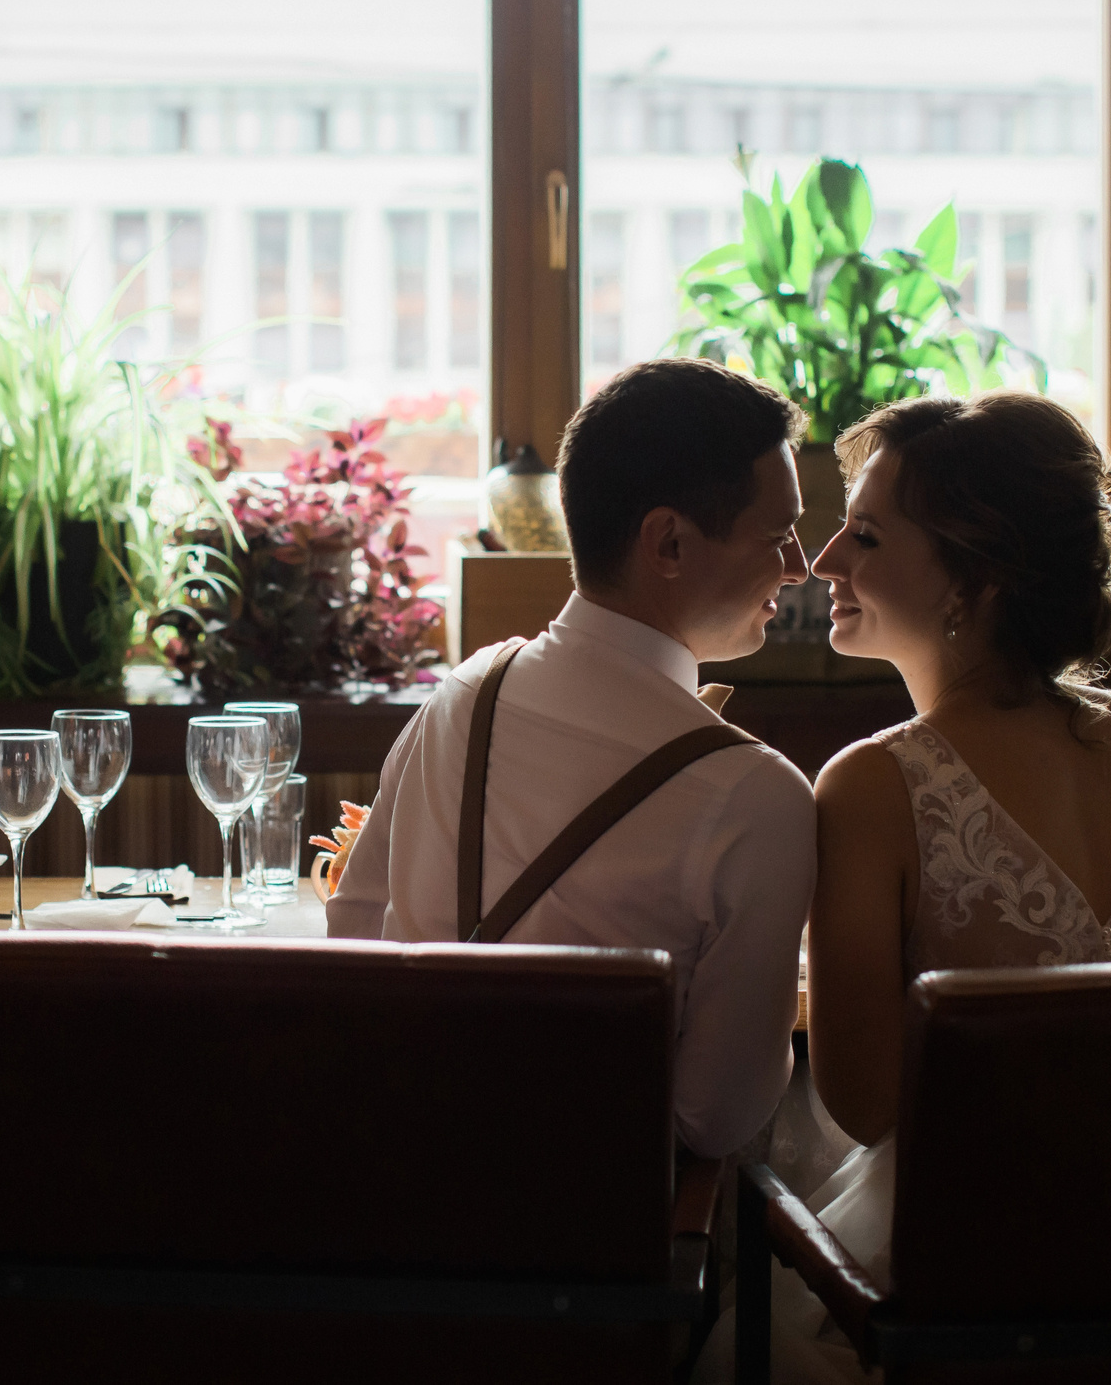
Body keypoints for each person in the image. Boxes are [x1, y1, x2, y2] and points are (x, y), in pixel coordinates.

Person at [702, 389, 1111, 1384]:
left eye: (866, 536)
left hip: (964, 1273)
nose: (825, 561)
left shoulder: (874, 784)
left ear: (978, 580)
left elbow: (865, 1103)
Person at [327, 358, 820, 1158]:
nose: (799, 566)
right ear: (667, 542)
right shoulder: (759, 797)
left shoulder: (462, 692)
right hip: (599, 1244)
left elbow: (353, 935)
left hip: (398, 1192)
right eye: (777, 535)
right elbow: (718, 1116)